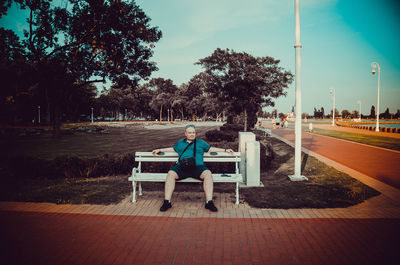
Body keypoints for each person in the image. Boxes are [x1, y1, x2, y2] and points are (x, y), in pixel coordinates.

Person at [152, 124, 234, 212]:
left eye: (193, 132)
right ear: (185, 134)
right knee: (171, 174)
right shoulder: (180, 143)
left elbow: (210, 149)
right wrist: (160, 150)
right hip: (181, 167)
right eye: (190, 133)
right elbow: (173, 149)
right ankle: (167, 202)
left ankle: (209, 202)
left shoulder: (201, 143)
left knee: (208, 174)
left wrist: (225, 150)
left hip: (197, 167)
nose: (192, 134)